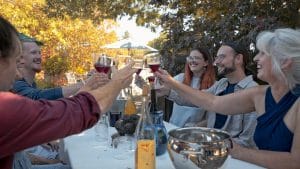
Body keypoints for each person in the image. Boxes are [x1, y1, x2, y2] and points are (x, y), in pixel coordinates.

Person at [0, 16, 136, 169]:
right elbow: (72, 111)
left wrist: (85, 87)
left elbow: (61, 110)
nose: (18, 74)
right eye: (15, 61)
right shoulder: (5, 108)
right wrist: (116, 82)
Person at [156, 28, 300, 168]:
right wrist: (171, 85)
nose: (256, 58)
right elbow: (211, 102)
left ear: (285, 61)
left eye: (263, 53)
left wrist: (233, 150)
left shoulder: (292, 101)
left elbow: (295, 162)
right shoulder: (257, 93)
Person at [160, 42, 258, 148]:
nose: (216, 62)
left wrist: (212, 147)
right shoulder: (222, 84)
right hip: (209, 149)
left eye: (222, 57)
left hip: (231, 156)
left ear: (238, 59)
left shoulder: (253, 90)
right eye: (216, 58)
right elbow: (197, 99)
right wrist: (168, 92)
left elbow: (247, 142)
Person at [157, 47, 215, 127]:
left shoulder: (214, 85)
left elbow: (212, 117)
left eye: (197, 58)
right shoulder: (180, 78)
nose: (192, 61)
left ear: (206, 62)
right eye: (190, 58)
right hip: (173, 128)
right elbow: (159, 89)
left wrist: (195, 127)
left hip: (194, 134)